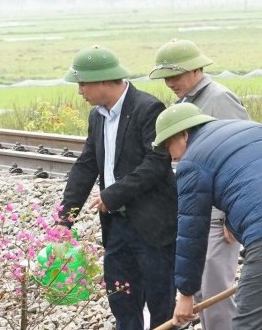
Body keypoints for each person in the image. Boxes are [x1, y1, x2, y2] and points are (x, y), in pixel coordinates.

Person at [153, 103, 262, 330]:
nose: (171, 156)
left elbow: (192, 233)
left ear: (184, 135)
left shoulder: (192, 161)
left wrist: (186, 294)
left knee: (248, 326)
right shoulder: (255, 129)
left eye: (168, 146)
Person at [57, 46, 175, 330]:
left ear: (104, 81)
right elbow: (86, 165)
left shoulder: (148, 109)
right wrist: (65, 217)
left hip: (152, 226)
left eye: (83, 84)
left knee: (161, 303)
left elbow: (157, 162)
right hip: (116, 225)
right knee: (122, 299)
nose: (79, 91)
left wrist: (113, 194)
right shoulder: (97, 116)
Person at [149, 38, 250, 330]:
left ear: (196, 70)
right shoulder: (185, 103)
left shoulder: (219, 99)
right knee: (202, 291)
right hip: (201, 213)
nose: (170, 83)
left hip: (220, 216)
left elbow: (240, 154)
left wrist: (233, 215)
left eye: (176, 75)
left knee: (216, 295)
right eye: (166, 77)